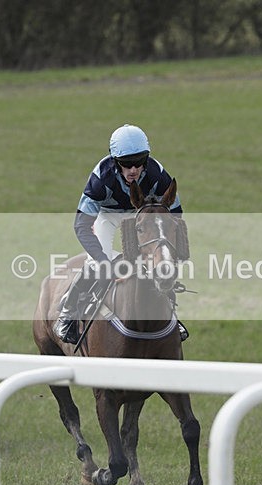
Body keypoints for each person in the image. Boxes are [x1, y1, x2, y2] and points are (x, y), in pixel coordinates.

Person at [53, 124, 188, 344]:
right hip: (107, 216)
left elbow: (176, 215)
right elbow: (81, 225)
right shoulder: (100, 180)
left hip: (141, 215)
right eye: (126, 164)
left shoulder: (157, 174)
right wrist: (103, 260)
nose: (133, 170)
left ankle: (170, 314)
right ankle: (67, 314)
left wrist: (167, 247)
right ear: (116, 162)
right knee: (98, 265)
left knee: (158, 263)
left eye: (139, 162)